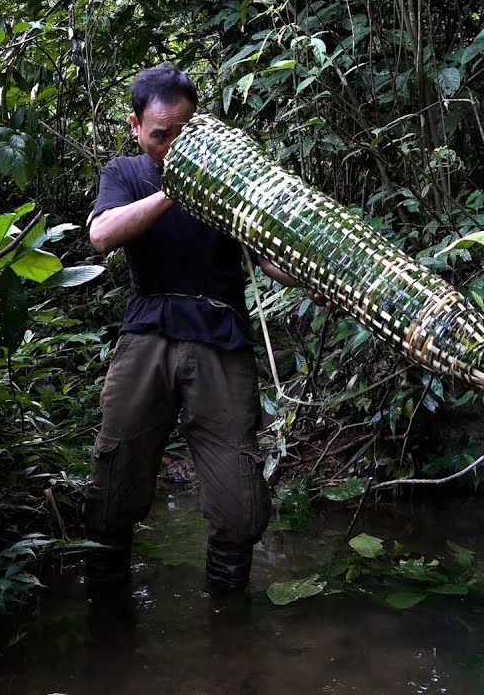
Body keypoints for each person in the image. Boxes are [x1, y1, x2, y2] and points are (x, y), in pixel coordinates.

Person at [84, 63, 313, 595]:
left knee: (240, 505)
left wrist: (308, 279)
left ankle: (230, 641)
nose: (172, 144)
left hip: (221, 336)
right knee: (114, 484)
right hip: (150, 335)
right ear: (137, 127)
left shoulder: (233, 182)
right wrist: (176, 191)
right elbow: (101, 235)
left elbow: (267, 255)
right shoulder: (126, 173)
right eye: (161, 134)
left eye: (183, 132)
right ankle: (106, 627)